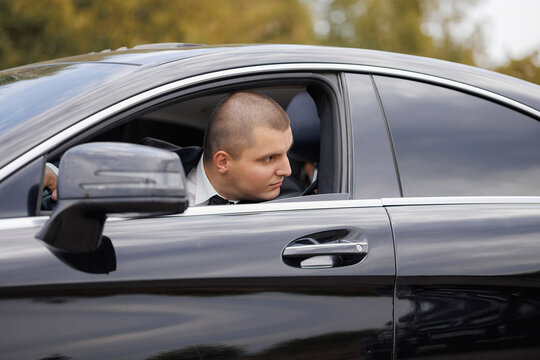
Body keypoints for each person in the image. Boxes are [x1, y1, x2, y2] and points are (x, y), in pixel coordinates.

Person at [44, 91, 297, 207]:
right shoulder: (147, 162)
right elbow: (81, 177)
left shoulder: (293, 201)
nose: (286, 169)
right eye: (269, 158)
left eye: (286, 152)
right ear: (223, 162)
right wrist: (56, 175)